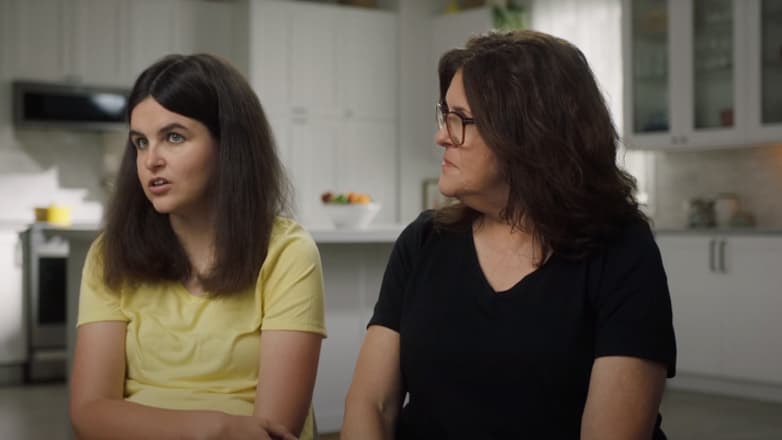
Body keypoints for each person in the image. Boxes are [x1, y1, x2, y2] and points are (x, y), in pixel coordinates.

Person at [342, 30, 676, 439]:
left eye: (459, 119)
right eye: (443, 114)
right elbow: (371, 404)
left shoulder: (622, 251)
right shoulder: (423, 241)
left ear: (526, 133)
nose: (441, 135)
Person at [69, 54, 326, 440]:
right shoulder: (111, 254)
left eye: (174, 137)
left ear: (229, 144)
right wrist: (214, 428)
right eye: (140, 142)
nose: (150, 160)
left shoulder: (287, 253)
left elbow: (275, 429)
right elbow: (89, 412)